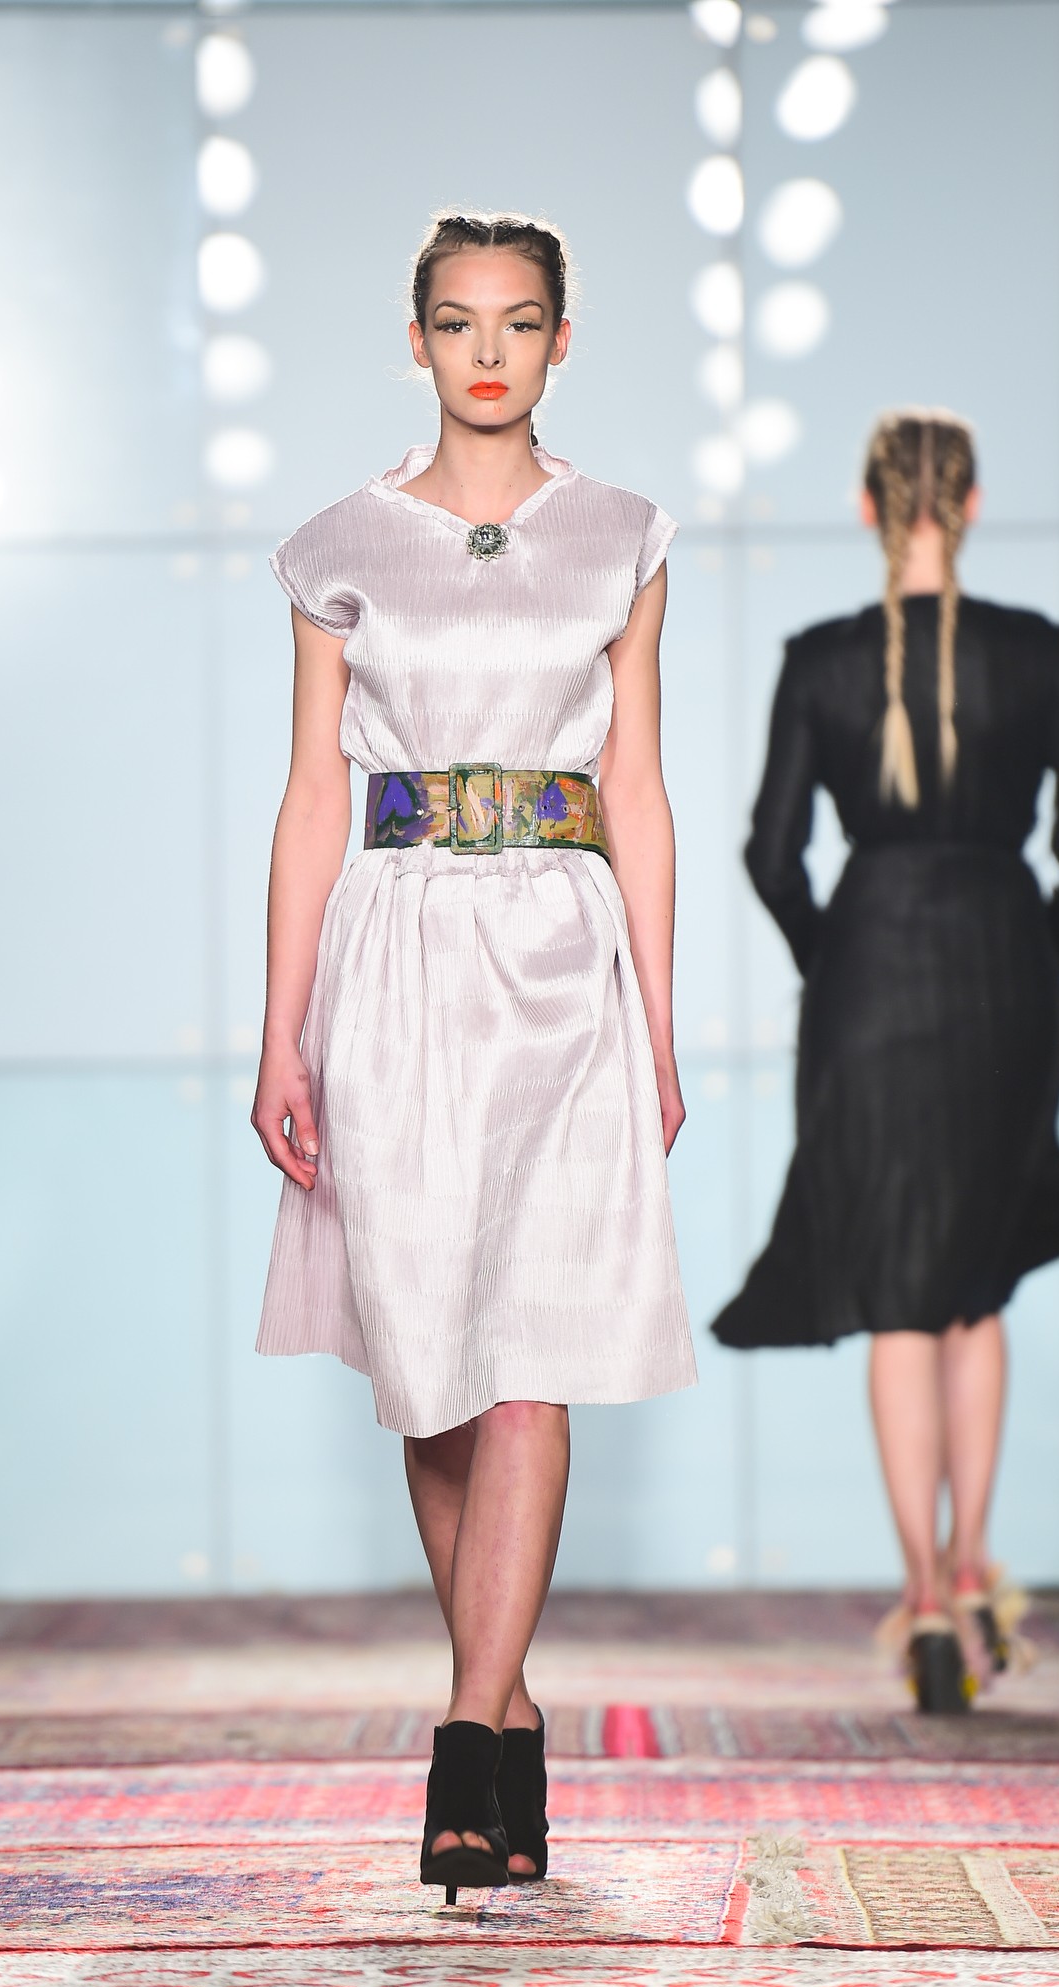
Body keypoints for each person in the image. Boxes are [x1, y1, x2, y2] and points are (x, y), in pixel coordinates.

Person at [250, 212, 695, 1895]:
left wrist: (660, 1016)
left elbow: (635, 787)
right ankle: (506, 1704)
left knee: (527, 1358)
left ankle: (459, 1748)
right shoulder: (337, 547)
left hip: (563, 961)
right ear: (418, 341)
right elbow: (312, 795)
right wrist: (278, 1029)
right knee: (427, 1361)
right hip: (396, 958)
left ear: (561, 339)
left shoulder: (622, 537)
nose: (488, 350)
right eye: (457, 321)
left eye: (517, 321)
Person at [713, 409, 1059, 1711]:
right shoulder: (1036, 652)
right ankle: (967, 1563)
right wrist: (1036, 959)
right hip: (1004, 972)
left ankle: (926, 1601)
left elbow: (771, 855)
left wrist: (832, 960)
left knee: (899, 1291)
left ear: (867, 507)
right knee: (974, 1288)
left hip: (868, 977)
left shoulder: (820, 661)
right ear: (973, 500)